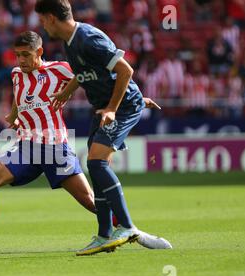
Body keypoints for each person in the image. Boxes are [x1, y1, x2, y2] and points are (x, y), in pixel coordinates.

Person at [0, 31, 171, 255]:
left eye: (26, 55)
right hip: (26, 147)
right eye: (17, 55)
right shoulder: (17, 74)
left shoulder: (60, 69)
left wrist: (136, 99)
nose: (21, 60)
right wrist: (15, 115)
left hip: (55, 149)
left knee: (91, 202)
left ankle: (134, 232)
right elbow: (21, 96)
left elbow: (98, 76)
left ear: (39, 52)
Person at [34, 0, 167, 255]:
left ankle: (127, 226)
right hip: (103, 107)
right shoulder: (70, 42)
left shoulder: (88, 38)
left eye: (42, 20)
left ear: (51, 18)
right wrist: (67, 91)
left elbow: (125, 70)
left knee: (97, 163)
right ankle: (104, 234)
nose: (42, 26)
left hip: (120, 107)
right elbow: (84, 72)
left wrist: (114, 109)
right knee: (95, 167)